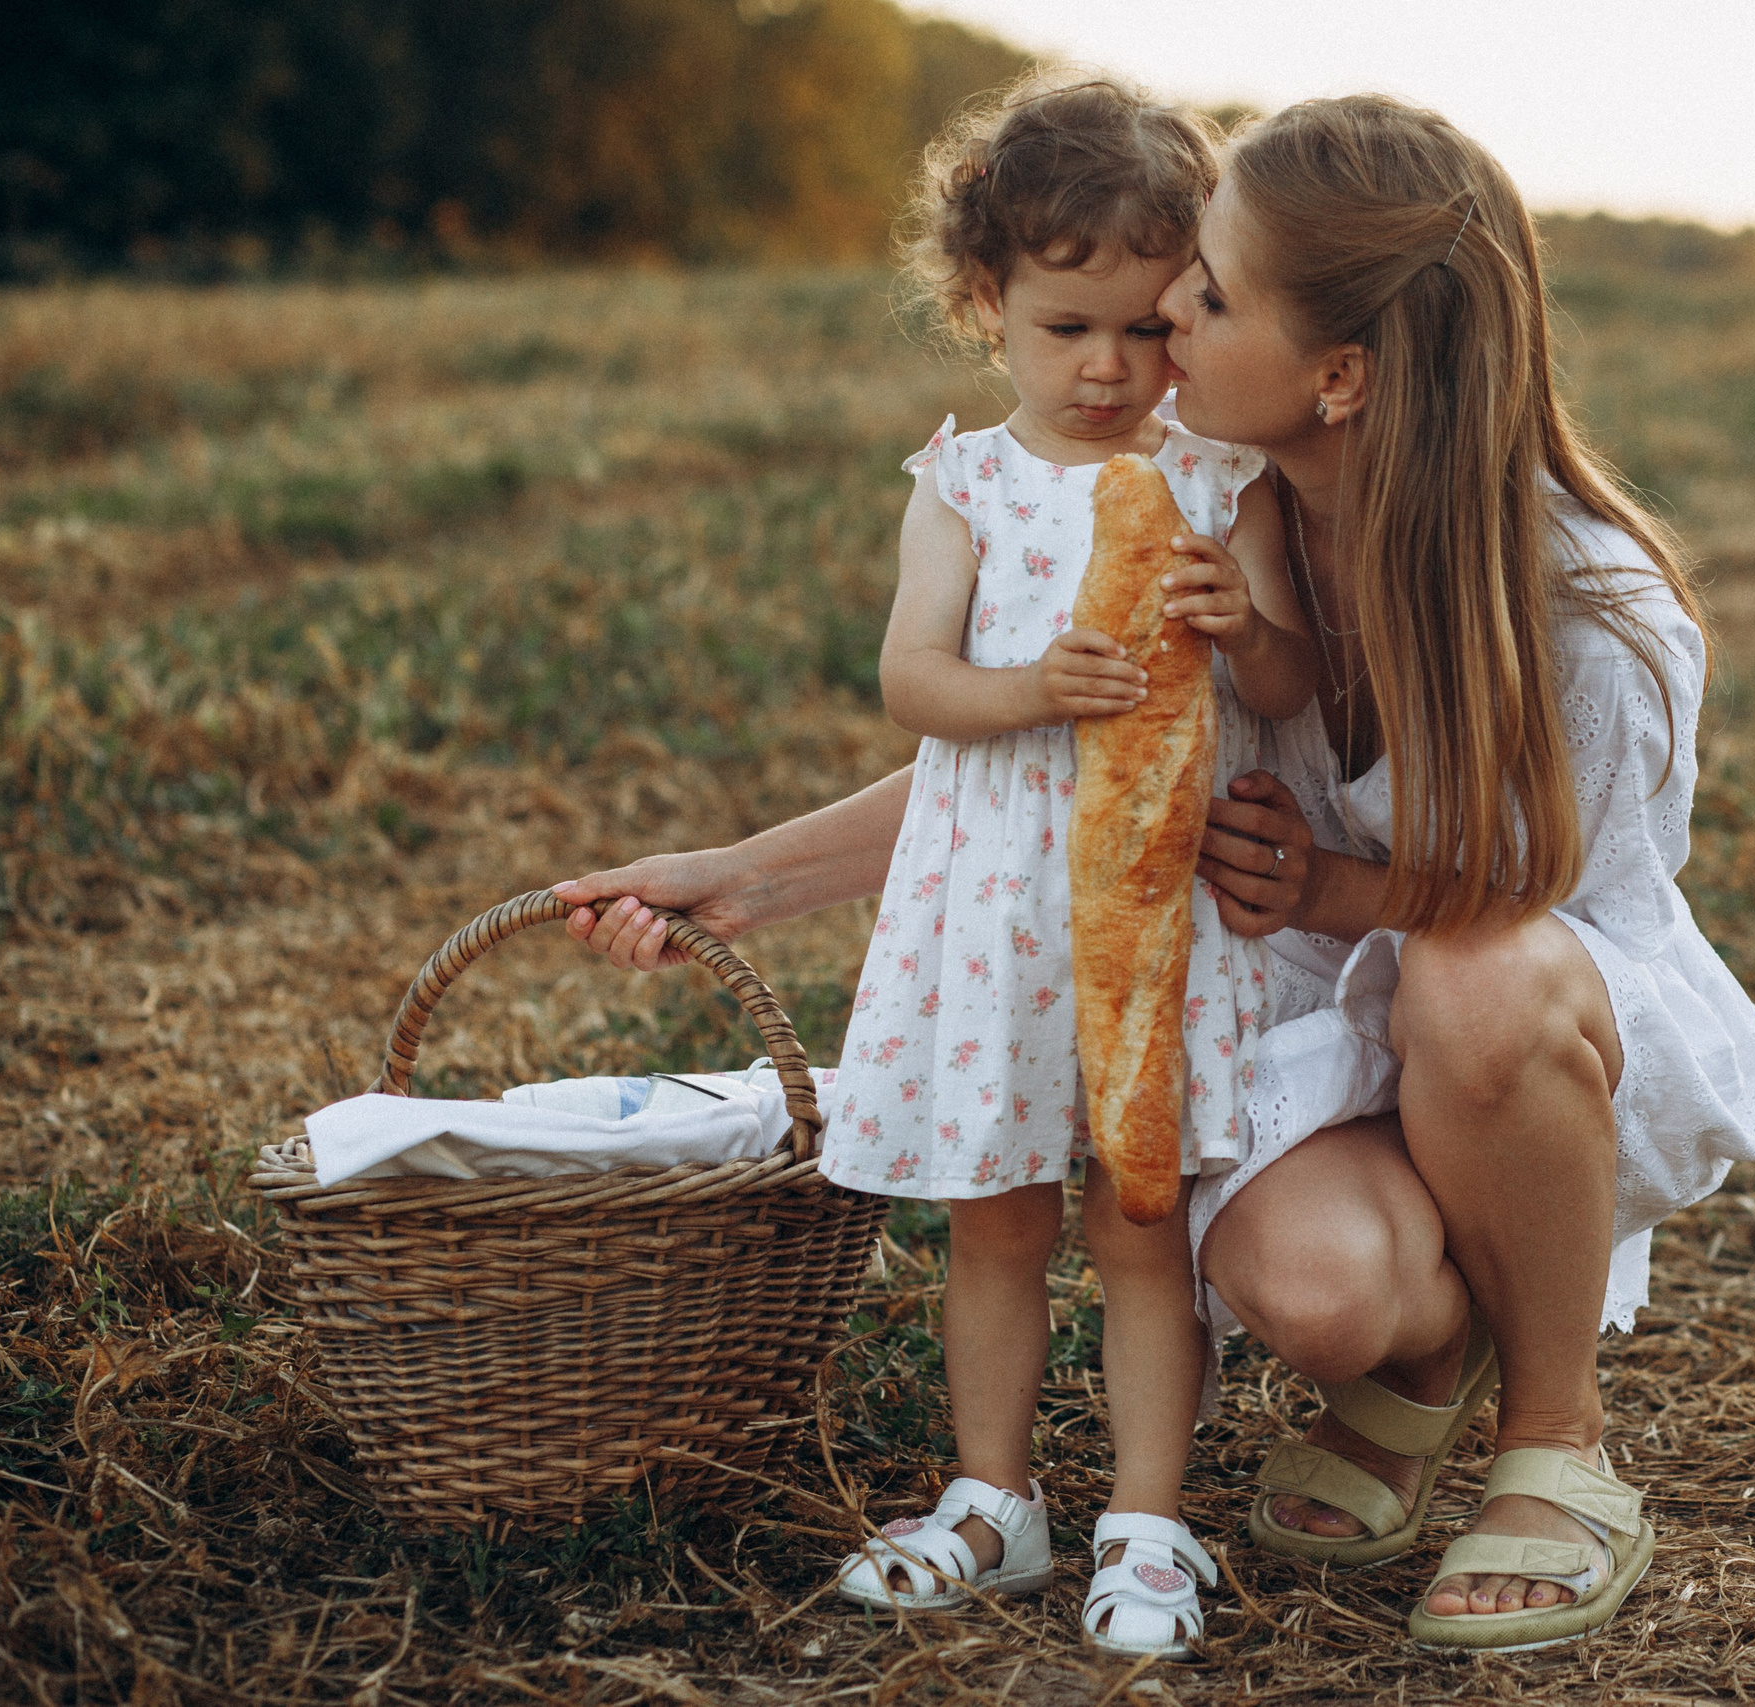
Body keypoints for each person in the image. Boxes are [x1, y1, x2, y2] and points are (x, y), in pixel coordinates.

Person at [559, 94, 1755, 1654]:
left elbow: (1560, 912)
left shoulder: (1583, 613)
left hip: (1520, 1036)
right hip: (1332, 1017)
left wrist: (1343, 895)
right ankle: (1416, 1368)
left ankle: (1556, 1439)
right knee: (1315, 1287)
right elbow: (1037, 774)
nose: (1157, 331)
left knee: (1477, 979)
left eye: (1205, 294)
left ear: (1339, 373)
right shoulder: (1184, 484)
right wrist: (743, 877)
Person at [664, 72, 1315, 1661]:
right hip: (991, 918)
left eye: (1153, 330)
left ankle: (1150, 1521)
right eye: (1064, 326)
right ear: (987, 305)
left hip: (1156, 920)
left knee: (1142, 1218)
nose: (1111, 367)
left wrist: (1252, 632)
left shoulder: (1224, 489)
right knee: (999, 1219)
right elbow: (917, 684)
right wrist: (1034, 690)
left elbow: (1295, 696)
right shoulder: (965, 485)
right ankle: (992, 1499)